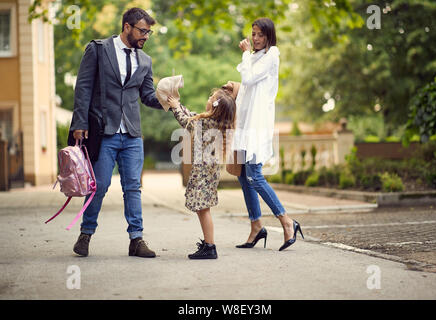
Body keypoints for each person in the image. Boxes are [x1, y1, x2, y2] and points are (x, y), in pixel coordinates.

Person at [68, 8, 163, 258]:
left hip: (132, 133)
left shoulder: (145, 60)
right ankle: (86, 233)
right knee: (98, 185)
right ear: (127, 27)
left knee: (132, 187)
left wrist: (167, 98)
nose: (146, 37)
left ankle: (136, 240)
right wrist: (80, 122)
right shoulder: (98, 49)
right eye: (142, 31)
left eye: (149, 32)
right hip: (104, 130)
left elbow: (147, 95)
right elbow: (83, 87)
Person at [232, 18, 304, 251]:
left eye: (260, 35)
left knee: (254, 176)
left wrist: (244, 55)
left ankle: (287, 221)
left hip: (257, 125)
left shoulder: (272, 54)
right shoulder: (254, 57)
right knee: (243, 175)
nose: (255, 38)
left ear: (269, 36)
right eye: (253, 34)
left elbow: (250, 78)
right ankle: (256, 227)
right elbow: (247, 88)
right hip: (244, 125)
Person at [166, 89, 236, 259]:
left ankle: (210, 247)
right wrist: (177, 103)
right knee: (202, 209)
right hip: (208, 172)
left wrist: (175, 108)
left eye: (210, 97)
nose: (208, 98)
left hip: (204, 173)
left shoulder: (207, 124)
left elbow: (186, 122)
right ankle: (208, 244)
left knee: (203, 210)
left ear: (215, 106)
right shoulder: (213, 122)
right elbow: (191, 115)